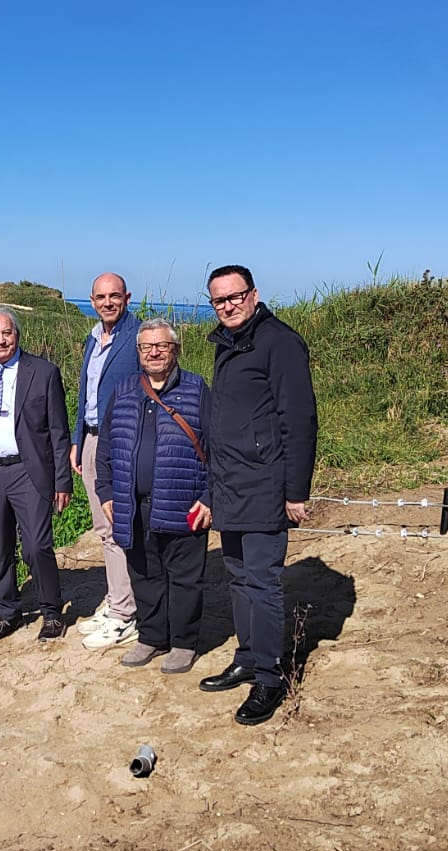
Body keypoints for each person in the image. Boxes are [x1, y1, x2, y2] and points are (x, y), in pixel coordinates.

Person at [198, 264, 318, 725]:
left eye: (235, 296)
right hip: (230, 483)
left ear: (253, 294)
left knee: (263, 582)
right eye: (219, 300)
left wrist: (296, 491)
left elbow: (299, 420)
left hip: (266, 483)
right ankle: (248, 657)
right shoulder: (227, 343)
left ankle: (270, 677)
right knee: (238, 576)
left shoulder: (279, 342)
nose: (228, 305)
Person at [93, 320, 211, 674]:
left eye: (162, 346)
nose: (154, 352)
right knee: (144, 575)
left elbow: (217, 447)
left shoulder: (196, 389)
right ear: (139, 352)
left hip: (183, 501)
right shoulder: (125, 389)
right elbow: (106, 445)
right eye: (146, 347)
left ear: (175, 350)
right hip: (132, 504)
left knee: (185, 578)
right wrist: (106, 491)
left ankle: (184, 643)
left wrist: (209, 496)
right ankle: (152, 636)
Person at [0, 308, 73, 641]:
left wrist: (63, 481)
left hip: (29, 471)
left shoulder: (43, 372)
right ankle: (8, 614)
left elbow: (59, 431)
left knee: (37, 545)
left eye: (7, 333)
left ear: (17, 335)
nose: (1, 340)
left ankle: (51, 612)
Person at [69, 273, 142, 650]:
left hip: (122, 443)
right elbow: (86, 394)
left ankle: (125, 613)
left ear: (127, 297)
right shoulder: (93, 337)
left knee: (118, 525)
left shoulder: (139, 335)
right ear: (92, 300)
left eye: (115, 296)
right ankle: (118, 600)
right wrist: (77, 440)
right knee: (103, 527)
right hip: (92, 439)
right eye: (101, 297)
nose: (108, 302)